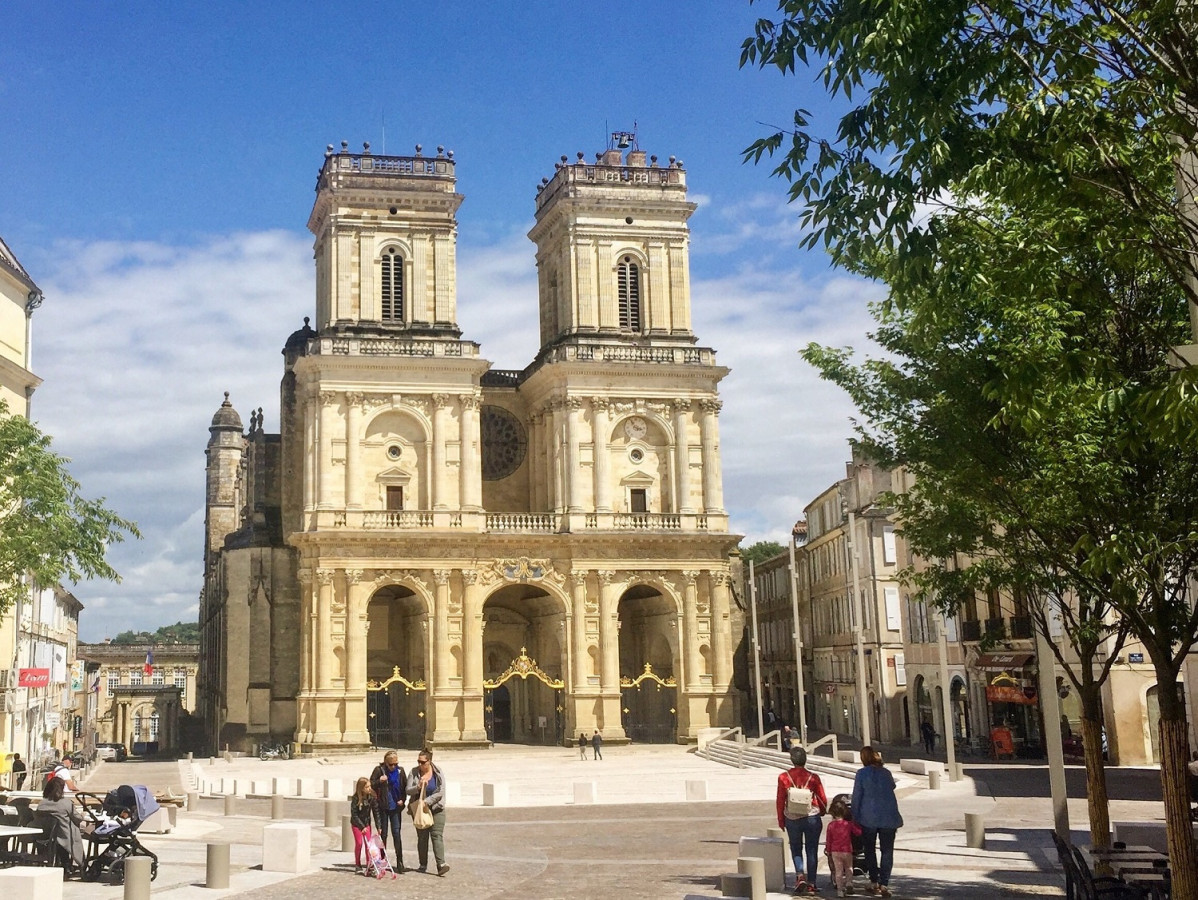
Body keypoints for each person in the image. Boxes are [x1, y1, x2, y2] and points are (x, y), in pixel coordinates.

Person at [851, 746, 903, 898]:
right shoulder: (886, 772)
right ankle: (884, 883)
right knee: (887, 851)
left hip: (868, 817)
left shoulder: (861, 774)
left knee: (869, 849)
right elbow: (892, 786)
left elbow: (857, 796)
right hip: (888, 816)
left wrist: (854, 815)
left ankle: (873, 880)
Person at [776, 746, 828, 894]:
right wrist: (822, 811)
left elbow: (780, 800)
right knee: (811, 850)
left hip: (792, 816)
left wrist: (781, 819)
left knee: (795, 847)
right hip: (811, 815)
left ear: (792, 760)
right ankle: (812, 883)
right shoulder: (813, 777)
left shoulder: (784, 777)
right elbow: (822, 798)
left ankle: (800, 875)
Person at [407, 747, 448, 876]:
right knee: (422, 838)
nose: (419, 764)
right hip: (419, 810)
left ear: (429, 761)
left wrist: (428, 801)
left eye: (422, 762)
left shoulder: (437, 772)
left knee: (436, 836)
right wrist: (417, 787)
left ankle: (441, 864)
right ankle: (422, 864)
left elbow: (441, 791)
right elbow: (407, 790)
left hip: (436, 808)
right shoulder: (414, 773)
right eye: (418, 761)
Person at [34, 774, 85, 871]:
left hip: (45, 835)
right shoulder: (66, 803)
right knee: (75, 829)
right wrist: (83, 814)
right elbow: (77, 818)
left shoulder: (42, 804)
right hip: (63, 836)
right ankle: (77, 863)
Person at [370, 750, 406, 872]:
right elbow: (370, 784)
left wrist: (403, 800)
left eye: (396, 764)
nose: (394, 766)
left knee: (396, 834)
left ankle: (400, 861)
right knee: (383, 835)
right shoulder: (379, 770)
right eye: (391, 764)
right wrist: (379, 781)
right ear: (386, 763)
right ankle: (382, 861)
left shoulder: (400, 772)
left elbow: (404, 788)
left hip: (395, 807)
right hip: (383, 807)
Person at [825, 795, 862, 898]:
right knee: (849, 867)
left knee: (838, 871)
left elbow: (829, 840)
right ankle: (849, 883)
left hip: (835, 851)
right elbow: (858, 833)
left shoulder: (831, 825)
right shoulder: (848, 824)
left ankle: (840, 890)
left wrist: (828, 851)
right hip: (847, 850)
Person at [350, 776, 378, 875]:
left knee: (368, 845)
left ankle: (369, 865)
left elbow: (376, 812)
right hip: (357, 824)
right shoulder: (356, 798)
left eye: (369, 786)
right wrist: (361, 827)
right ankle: (357, 864)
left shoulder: (372, 797)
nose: (369, 789)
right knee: (359, 843)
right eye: (367, 787)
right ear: (361, 788)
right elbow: (354, 814)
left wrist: (379, 827)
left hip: (366, 823)